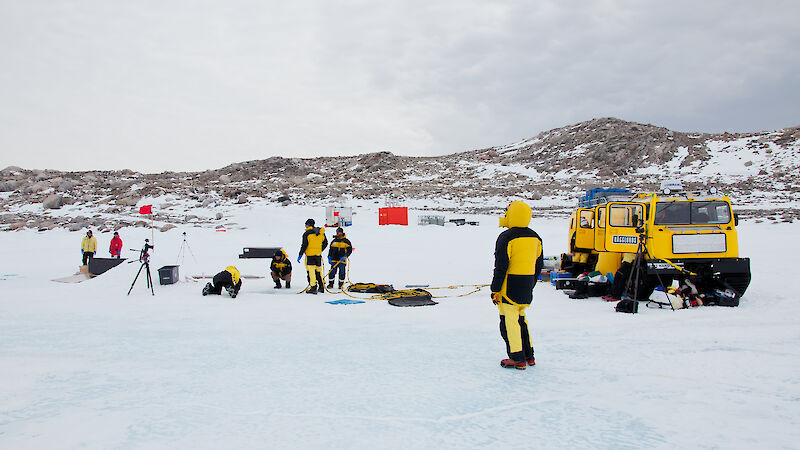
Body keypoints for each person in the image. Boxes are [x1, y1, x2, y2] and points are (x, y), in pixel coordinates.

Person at [491, 201, 543, 370]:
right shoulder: (535, 237)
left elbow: (501, 266)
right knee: (522, 319)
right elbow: (538, 264)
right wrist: (531, 284)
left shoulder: (506, 237)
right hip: (527, 284)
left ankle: (517, 357)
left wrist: (495, 289)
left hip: (509, 286)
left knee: (509, 321)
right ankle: (529, 355)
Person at [297, 218, 327, 294]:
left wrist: (300, 254)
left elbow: (304, 245)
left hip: (310, 255)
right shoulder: (321, 233)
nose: (305, 226)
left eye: (306, 224)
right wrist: (319, 250)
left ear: (308, 225)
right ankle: (321, 286)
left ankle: (313, 288)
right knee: (318, 271)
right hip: (318, 255)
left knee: (311, 271)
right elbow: (325, 243)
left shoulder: (307, 234)